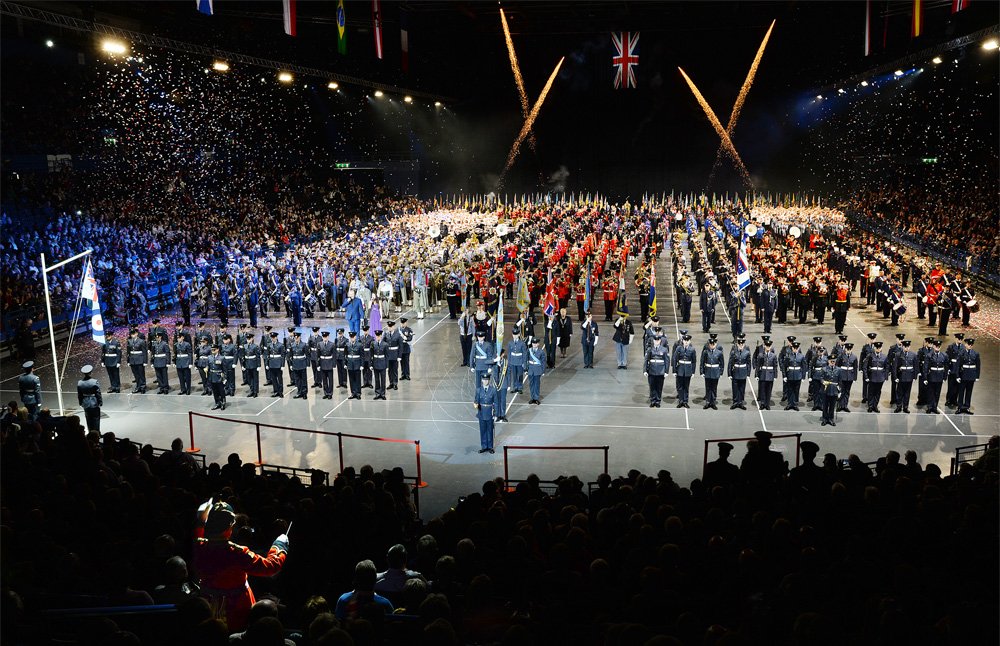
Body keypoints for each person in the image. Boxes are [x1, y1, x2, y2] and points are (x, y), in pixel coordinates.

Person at [193, 502, 288, 631]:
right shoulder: (237, 553)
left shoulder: (199, 546)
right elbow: (270, 567)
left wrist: (201, 521)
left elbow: (198, 532)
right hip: (236, 609)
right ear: (230, 526)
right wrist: (279, 546)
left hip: (207, 606)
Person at [955, 337, 980, 415]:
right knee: (961, 392)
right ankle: (960, 407)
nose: (970, 346)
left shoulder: (975, 354)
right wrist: (957, 376)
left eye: (971, 344)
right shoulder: (961, 353)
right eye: (969, 344)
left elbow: (978, 366)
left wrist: (977, 376)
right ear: (965, 344)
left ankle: (966, 407)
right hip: (963, 375)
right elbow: (958, 365)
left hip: (971, 375)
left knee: (969, 392)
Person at [643, 333, 668, 408]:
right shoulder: (649, 349)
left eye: (658, 340)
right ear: (653, 341)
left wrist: (666, 371)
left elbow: (667, 361)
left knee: (659, 387)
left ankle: (658, 401)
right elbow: (646, 360)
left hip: (660, 371)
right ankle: (653, 401)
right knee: (652, 387)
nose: (656, 341)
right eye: (655, 340)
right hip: (651, 370)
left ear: (660, 341)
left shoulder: (664, 350)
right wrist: (645, 370)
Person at [474, 372, 497, 453]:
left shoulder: (493, 390)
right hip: (481, 413)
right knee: (483, 430)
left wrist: (495, 414)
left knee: (490, 430)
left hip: (490, 412)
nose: (485, 381)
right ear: (482, 380)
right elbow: (476, 400)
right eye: (484, 380)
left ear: (489, 380)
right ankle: (484, 446)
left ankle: (490, 447)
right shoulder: (478, 390)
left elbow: (496, 403)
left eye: (487, 380)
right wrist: (476, 404)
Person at [862, 341, 888, 413]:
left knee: (878, 392)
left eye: (879, 348)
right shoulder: (870, 356)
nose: (878, 349)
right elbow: (865, 366)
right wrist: (866, 377)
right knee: (871, 392)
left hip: (880, 378)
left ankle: (875, 406)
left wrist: (885, 377)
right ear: (875, 348)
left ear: (881, 348)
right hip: (872, 377)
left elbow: (887, 367)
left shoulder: (884, 357)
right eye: (877, 348)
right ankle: (870, 406)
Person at [672, 334, 696, 408]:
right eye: (685, 340)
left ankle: (685, 401)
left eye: (687, 340)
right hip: (680, 369)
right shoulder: (679, 348)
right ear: (682, 341)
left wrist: (693, 372)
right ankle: (681, 401)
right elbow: (675, 359)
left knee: (686, 386)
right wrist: (674, 371)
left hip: (688, 370)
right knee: (680, 387)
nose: (686, 342)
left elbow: (694, 362)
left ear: (690, 341)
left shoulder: (692, 350)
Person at [893, 339, 917, 414]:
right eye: (905, 346)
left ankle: (905, 407)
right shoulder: (898, 355)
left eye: (908, 346)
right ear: (903, 347)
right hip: (901, 376)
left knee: (907, 393)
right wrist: (895, 377)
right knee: (899, 392)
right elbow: (895, 366)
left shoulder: (913, 355)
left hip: (909, 376)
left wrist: (914, 376)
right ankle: (899, 406)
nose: (907, 348)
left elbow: (915, 366)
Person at [700, 336, 724, 410]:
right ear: (709, 344)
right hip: (707, 371)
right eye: (711, 344)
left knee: (714, 388)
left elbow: (722, 364)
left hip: (715, 372)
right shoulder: (706, 352)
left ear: (716, 344)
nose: (712, 345)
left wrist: (720, 372)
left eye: (713, 344)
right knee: (708, 387)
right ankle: (708, 402)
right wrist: (702, 371)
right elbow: (702, 362)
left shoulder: (719, 353)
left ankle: (713, 402)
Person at [77, 364, 103, 432]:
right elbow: (98, 393)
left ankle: (90, 431)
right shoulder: (94, 382)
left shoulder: (80, 383)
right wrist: (100, 402)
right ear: (90, 372)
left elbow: (79, 394)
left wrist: (80, 403)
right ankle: (96, 432)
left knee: (88, 419)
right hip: (94, 402)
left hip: (85, 402)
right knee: (96, 419)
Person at [781, 341, 806, 411]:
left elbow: (804, 367)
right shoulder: (788, 356)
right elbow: (784, 366)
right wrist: (784, 376)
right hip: (790, 375)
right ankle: (789, 404)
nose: (795, 349)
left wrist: (803, 377)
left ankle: (795, 404)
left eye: (796, 348)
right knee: (789, 390)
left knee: (796, 391)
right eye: (794, 348)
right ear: (792, 348)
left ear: (798, 348)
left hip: (798, 376)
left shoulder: (801, 356)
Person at [729, 335, 751, 410]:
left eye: (742, 344)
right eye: (739, 344)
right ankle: (735, 402)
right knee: (735, 388)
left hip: (743, 372)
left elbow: (748, 363)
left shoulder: (747, 352)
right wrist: (729, 373)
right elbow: (730, 363)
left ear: (744, 344)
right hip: (735, 372)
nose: (741, 345)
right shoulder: (734, 352)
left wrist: (748, 373)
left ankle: (741, 402)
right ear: (737, 344)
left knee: (742, 388)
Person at [755, 339, 778, 410]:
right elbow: (758, 366)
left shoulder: (773, 356)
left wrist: (775, 375)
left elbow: (775, 366)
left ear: (771, 347)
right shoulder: (761, 355)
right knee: (762, 390)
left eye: (769, 346)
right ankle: (762, 403)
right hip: (763, 374)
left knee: (769, 390)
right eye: (767, 346)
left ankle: (767, 404)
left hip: (770, 374)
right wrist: (756, 375)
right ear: (764, 346)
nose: (768, 347)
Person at [837, 342, 858, 412]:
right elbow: (838, 366)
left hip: (850, 377)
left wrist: (854, 378)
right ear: (845, 349)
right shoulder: (841, 356)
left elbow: (855, 368)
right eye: (847, 349)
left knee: (847, 392)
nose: (849, 350)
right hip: (842, 376)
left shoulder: (854, 357)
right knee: (841, 391)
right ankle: (840, 405)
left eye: (850, 349)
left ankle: (845, 405)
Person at [819, 355, 840, 426]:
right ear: (828, 361)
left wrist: (840, 391)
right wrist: (823, 382)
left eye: (834, 361)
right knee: (825, 405)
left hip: (834, 390)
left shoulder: (839, 370)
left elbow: (840, 381)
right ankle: (825, 419)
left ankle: (831, 419)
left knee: (832, 406)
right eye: (831, 361)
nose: (832, 362)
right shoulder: (824, 369)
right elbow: (821, 378)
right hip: (826, 390)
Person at [127, 327, 149, 394]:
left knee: (141, 374)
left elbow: (144, 352)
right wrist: (128, 361)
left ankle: (143, 387)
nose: (132, 335)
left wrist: (145, 361)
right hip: (132, 360)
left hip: (140, 359)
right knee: (136, 374)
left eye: (133, 334)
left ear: (136, 333)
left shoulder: (141, 341)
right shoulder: (129, 341)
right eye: (131, 334)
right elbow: (128, 352)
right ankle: (138, 386)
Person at [289, 331, 309, 400]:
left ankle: (304, 393)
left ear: (299, 337)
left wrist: (307, 364)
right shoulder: (292, 345)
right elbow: (291, 356)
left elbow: (307, 355)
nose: (296, 339)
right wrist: (291, 365)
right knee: (297, 380)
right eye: (295, 338)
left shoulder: (304, 345)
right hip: (295, 364)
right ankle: (299, 392)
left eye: (297, 338)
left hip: (302, 364)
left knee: (303, 379)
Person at [317, 330, 336, 399]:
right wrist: (318, 365)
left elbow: (334, 355)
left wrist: (334, 364)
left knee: (330, 380)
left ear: (328, 337)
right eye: (323, 337)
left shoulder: (332, 344)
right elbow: (318, 355)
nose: (325, 338)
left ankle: (330, 393)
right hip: (322, 363)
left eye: (326, 336)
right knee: (324, 380)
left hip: (329, 363)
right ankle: (326, 392)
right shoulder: (319, 344)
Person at [492, 349, 510, 422]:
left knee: (503, 400)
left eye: (500, 354)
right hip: (495, 383)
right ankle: (497, 415)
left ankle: (503, 415)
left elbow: (508, 373)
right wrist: (495, 361)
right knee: (496, 400)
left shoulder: (506, 362)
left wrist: (509, 384)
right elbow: (486, 362)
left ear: (503, 354)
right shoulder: (494, 361)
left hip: (503, 383)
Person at [208, 345, 227, 411]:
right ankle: (217, 403)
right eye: (212, 349)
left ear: (217, 350)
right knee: (215, 391)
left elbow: (225, 369)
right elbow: (208, 366)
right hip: (212, 376)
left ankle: (223, 403)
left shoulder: (222, 358)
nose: (213, 351)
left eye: (214, 349)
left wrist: (225, 378)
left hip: (219, 376)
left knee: (221, 391)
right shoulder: (209, 357)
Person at [241, 332, 260, 398]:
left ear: (252, 339)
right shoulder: (245, 346)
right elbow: (243, 356)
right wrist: (243, 365)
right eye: (247, 339)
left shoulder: (255, 346)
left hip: (254, 364)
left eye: (249, 339)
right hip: (247, 364)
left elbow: (258, 356)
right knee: (249, 379)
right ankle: (252, 390)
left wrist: (259, 365)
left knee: (255, 378)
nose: (248, 340)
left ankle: (255, 392)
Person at [526, 337, 545, 405]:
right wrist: (526, 369)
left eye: (536, 343)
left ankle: (536, 398)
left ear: (538, 344)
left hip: (537, 369)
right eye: (533, 343)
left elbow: (543, 362)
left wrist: (543, 371)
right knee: (531, 384)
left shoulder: (541, 352)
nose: (534, 344)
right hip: (530, 369)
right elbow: (526, 360)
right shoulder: (529, 350)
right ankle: (532, 398)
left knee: (537, 384)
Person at [174, 331, 194, 396]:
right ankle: (183, 389)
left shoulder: (187, 344)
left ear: (182, 337)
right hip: (179, 362)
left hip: (186, 362)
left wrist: (190, 363)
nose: (178, 339)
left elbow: (190, 354)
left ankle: (188, 389)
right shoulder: (176, 344)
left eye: (179, 338)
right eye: (177, 338)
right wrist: (174, 362)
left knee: (187, 377)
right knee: (181, 377)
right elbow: (175, 354)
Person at [345, 331, 363, 399]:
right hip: (350, 364)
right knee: (351, 379)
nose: (352, 338)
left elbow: (362, 356)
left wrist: (362, 365)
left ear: (355, 337)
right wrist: (345, 363)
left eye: (353, 337)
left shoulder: (359, 345)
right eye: (351, 337)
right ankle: (353, 392)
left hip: (357, 364)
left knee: (357, 379)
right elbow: (345, 355)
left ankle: (358, 393)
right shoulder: (347, 344)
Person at [371, 329, 389, 400]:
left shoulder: (385, 344)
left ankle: (383, 393)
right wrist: (371, 364)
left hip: (382, 364)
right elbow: (371, 355)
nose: (377, 337)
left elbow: (387, 356)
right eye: (376, 336)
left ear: (381, 336)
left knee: (383, 379)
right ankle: (377, 393)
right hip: (375, 363)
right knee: (376, 379)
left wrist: (387, 366)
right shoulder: (373, 344)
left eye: (379, 336)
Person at [266, 332, 285, 397]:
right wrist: (267, 364)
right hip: (271, 364)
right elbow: (267, 355)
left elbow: (283, 356)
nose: (272, 339)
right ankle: (276, 391)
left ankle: (280, 392)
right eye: (272, 337)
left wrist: (282, 365)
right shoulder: (269, 345)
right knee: (273, 379)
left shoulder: (281, 345)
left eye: (274, 337)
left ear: (276, 337)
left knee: (279, 379)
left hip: (278, 364)